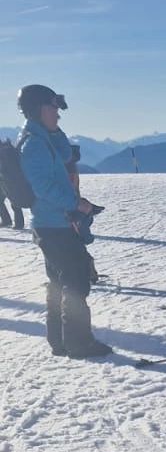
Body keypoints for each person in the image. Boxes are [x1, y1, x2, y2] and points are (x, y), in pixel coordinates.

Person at [17, 85, 109, 358]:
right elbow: (43, 186)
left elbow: (66, 155)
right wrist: (76, 204)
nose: (58, 113)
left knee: (59, 281)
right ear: (37, 110)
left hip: (53, 224)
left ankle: (59, 341)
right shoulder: (33, 144)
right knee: (77, 281)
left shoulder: (42, 138)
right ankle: (80, 343)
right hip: (53, 224)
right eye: (52, 107)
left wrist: (55, 131)